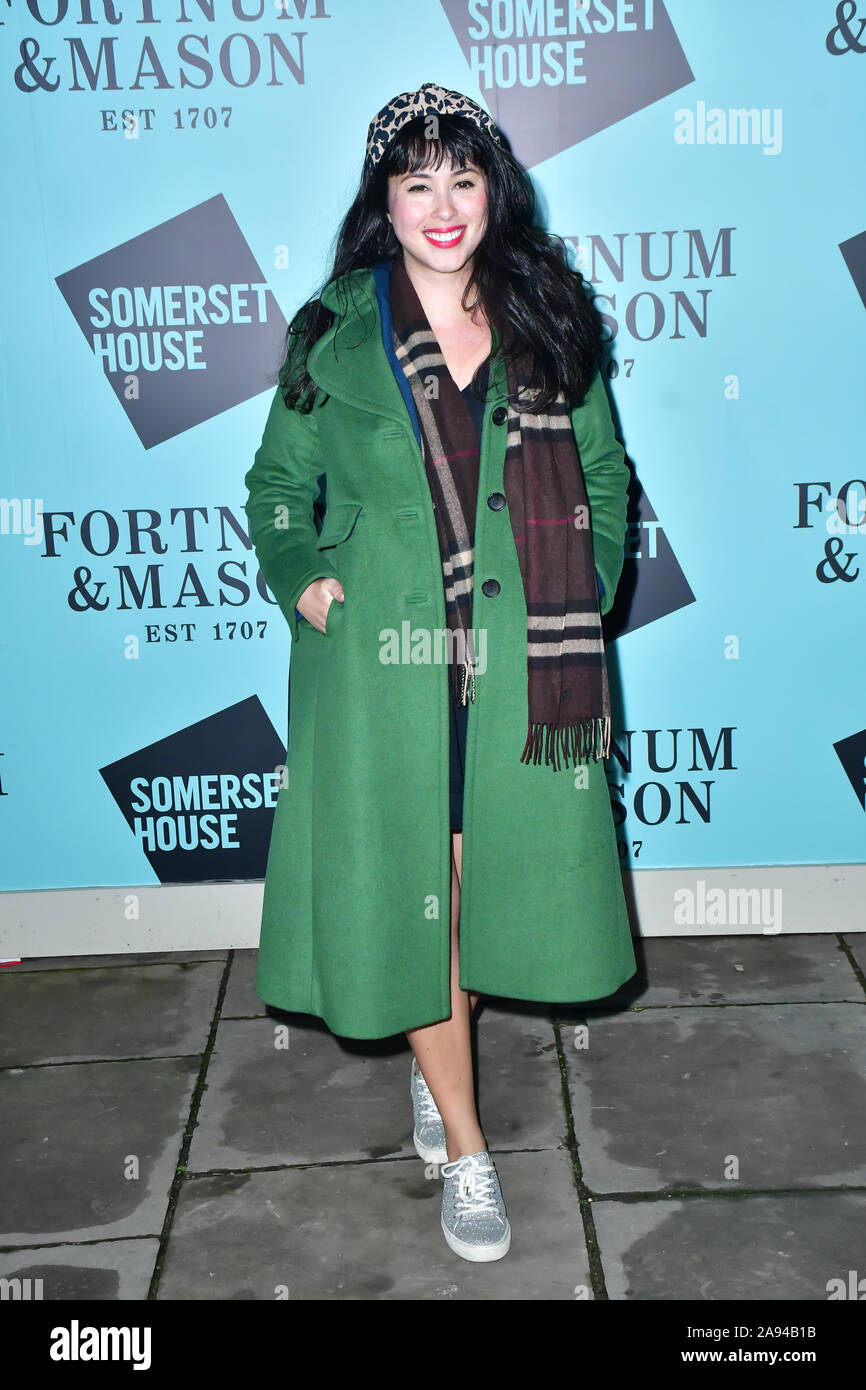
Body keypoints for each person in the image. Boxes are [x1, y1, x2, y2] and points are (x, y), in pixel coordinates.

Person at [243, 82, 637, 1264]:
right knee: (412, 886)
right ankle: (465, 1141)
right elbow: (273, 488)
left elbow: (606, 481)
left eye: (461, 177)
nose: (442, 204)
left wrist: (588, 579)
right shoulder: (330, 328)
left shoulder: (546, 312)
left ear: (493, 186)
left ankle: (434, 1062)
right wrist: (306, 574)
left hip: (520, 667)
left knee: (462, 901)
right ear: (385, 200)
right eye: (415, 182)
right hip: (381, 670)